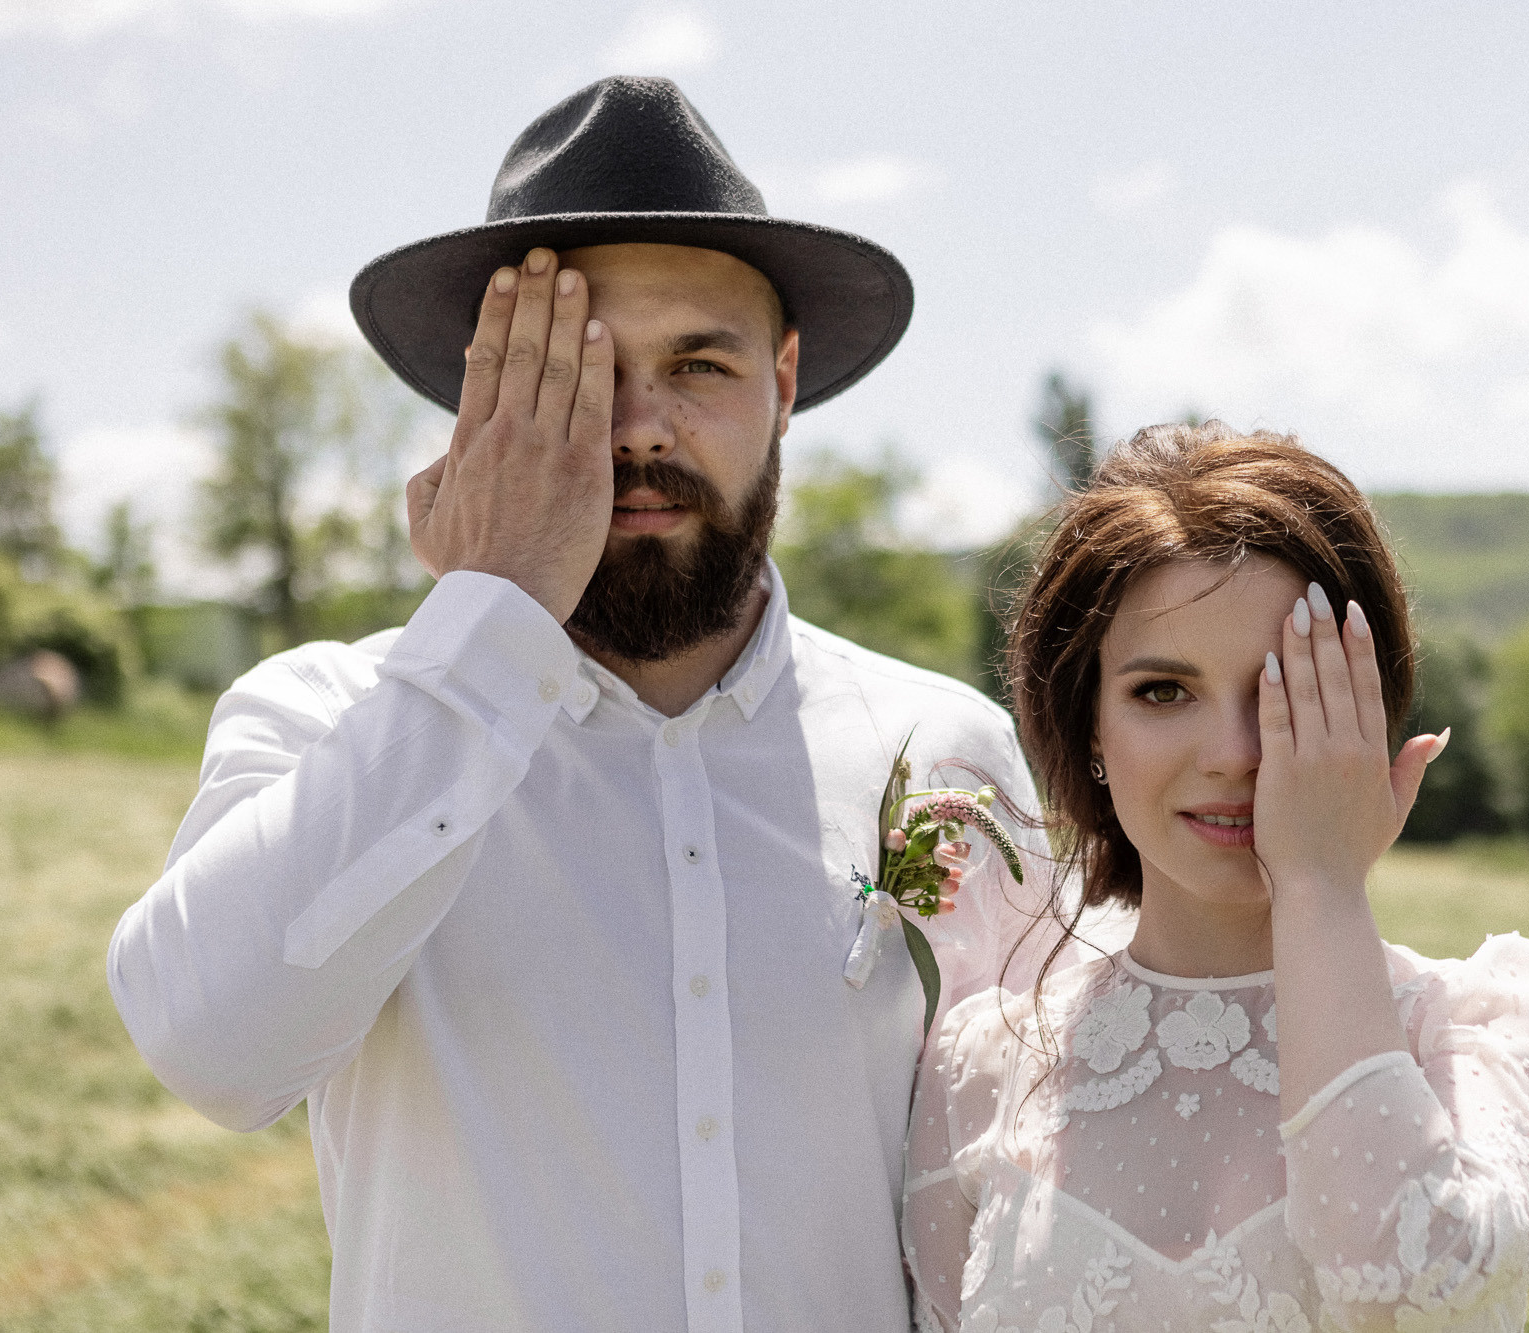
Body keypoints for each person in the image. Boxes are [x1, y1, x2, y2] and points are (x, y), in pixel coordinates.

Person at [108, 77, 1057, 1333]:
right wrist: (493, 610)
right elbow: (212, 1053)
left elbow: (1028, 1178)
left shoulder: (940, 751)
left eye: (698, 364)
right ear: (482, 396)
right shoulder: (321, 716)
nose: (636, 429)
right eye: (577, 370)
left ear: (783, 379)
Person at [901, 423, 1529, 1332]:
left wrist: (1321, 886)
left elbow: (1403, 1279)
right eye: (1162, 691)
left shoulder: (1484, 1026)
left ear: (1367, 711)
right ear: (1090, 730)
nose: (1233, 754)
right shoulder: (981, 1062)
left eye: (1283, 689)